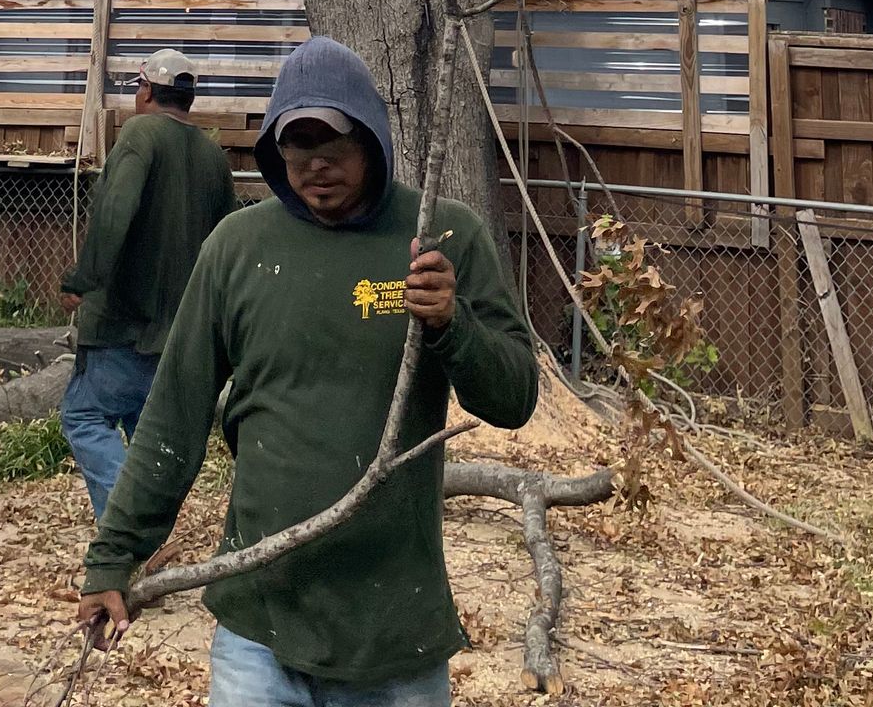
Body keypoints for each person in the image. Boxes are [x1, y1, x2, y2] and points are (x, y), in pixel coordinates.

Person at [76, 34, 537, 705]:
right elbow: (173, 416)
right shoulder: (239, 247)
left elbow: (515, 398)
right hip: (261, 623)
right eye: (297, 150)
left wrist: (452, 325)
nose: (314, 168)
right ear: (273, 149)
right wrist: (114, 557)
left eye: (333, 150)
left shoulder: (442, 235)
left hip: (394, 629)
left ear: (373, 141)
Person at [58, 44, 238, 521]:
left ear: (147, 92)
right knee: (146, 432)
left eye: (138, 87)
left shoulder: (139, 135)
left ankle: (126, 526)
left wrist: (83, 278)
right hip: (179, 333)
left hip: (124, 325)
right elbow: (226, 240)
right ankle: (150, 534)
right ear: (188, 99)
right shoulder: (213, 156)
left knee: (85, 416)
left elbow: (115, 213)